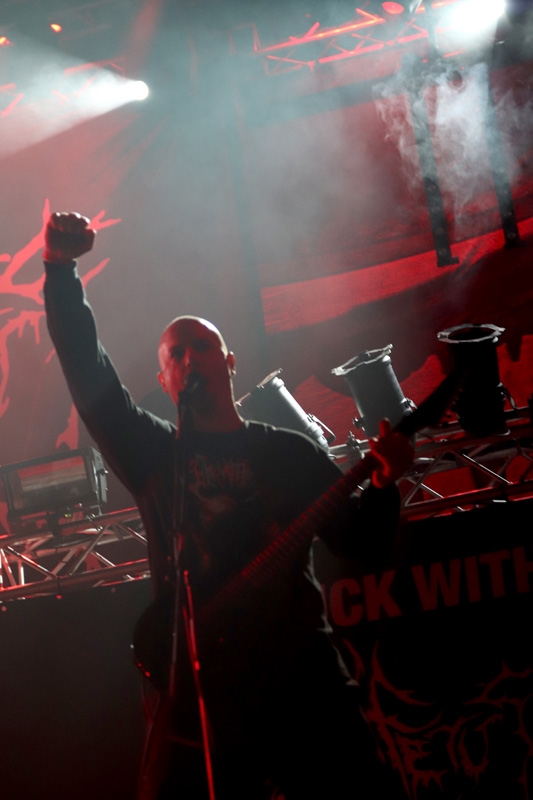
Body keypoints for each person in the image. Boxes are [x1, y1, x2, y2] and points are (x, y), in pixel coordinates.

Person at [43, 211, 414, 800]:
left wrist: (388, 483)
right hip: (204, 691)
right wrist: (60, 270)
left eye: (203, 345)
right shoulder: (154, 455)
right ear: (165, 380)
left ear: (229, 361)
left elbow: (360, 542)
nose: (191, 357)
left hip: (302, 675)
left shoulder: (289, 452)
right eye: (177, 354)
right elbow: (91, 379)